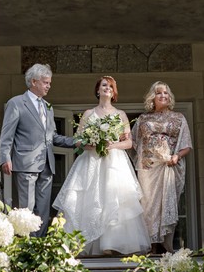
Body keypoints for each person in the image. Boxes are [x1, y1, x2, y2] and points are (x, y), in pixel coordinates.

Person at [52, 76, 150, 256]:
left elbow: (129, 143)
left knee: (114, 199)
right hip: (91, 161)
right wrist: (94, 144)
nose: (107, 88)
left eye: (111, 87)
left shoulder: (120, 114)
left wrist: (110, 145)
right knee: (91, 199)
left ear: (114, 93)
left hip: (115, 163)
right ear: (98, 90)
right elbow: (79, 140)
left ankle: (111, 244)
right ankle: (85, 243)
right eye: (104, 85)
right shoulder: (89, 113)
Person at [0, 63, 76, 236]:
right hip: (26, 163)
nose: (49, 86)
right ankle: (27, 245)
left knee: (43, 209)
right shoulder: (16, 103)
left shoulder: (48, 106)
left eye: (49, 83)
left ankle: (39, 245)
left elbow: (52, 137)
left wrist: (76, 142)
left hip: (47, 165)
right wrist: (5, 157)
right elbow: (7, 134)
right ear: (34, 82)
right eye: (45, 82)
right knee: (27, 208)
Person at [131, 81, 192, 254]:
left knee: (167, 203)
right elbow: (132, 141)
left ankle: (166, 244)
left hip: (168, 166)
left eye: (166, 93)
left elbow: (187, 144)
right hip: (148, 166)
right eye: (159, 93)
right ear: (153, 97)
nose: (163, 96)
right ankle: (149, 245)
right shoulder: (143, 118)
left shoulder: (179, 118)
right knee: (147, 204)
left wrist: (176, 156)